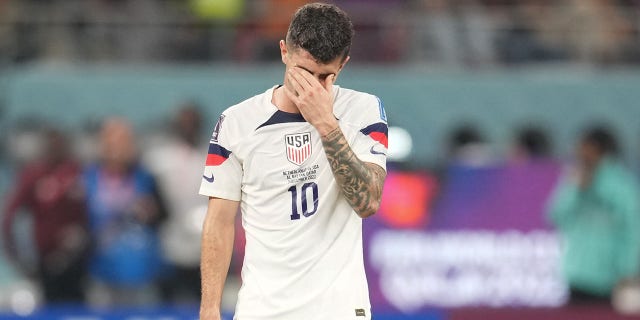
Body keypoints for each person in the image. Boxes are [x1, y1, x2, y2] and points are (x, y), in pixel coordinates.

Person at [198, 3, 388, 319]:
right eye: (304, 72)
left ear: (344, 65)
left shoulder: (363, 111)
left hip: (338, 309)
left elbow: (368, 201)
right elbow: (218, 222)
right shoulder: (236, 122)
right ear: (284, 52)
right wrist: (209, 309)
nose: (312, 87)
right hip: (263, 310)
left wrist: (325, 122)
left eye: (325, 76)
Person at [547, 125, 640, 304]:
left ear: (600, 151)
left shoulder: (622, 187)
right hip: (577, 274)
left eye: (585, 148)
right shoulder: (575, 180)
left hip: (609, 279)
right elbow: (555, 216)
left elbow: (632, 231)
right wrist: (574, 190)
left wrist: (628, 270)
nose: (579, 153)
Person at [84, 118, 167, 306]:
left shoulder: (145, 177)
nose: (117, 148)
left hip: (141, 273)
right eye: (112, 141)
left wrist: (151, 212)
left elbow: (164, 215)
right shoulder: (88, 177)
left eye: (124, 141)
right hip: (102, 272)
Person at [2, 126, 89, 304]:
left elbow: (96, 212)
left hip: (79, 261)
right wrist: (16, 257)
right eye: (52, 146)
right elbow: (10, 217)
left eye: (60, 145)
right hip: (47, 261)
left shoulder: (78, 173)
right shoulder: (34, 175)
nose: (56, 150)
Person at [143, 103, 208, 303]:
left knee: (205, 300)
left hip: (205, 242)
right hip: (169, 242)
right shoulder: (159, 158)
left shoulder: (212, 155)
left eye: (192, 123)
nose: (188, 128)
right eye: (184, 123)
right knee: (167, 300)